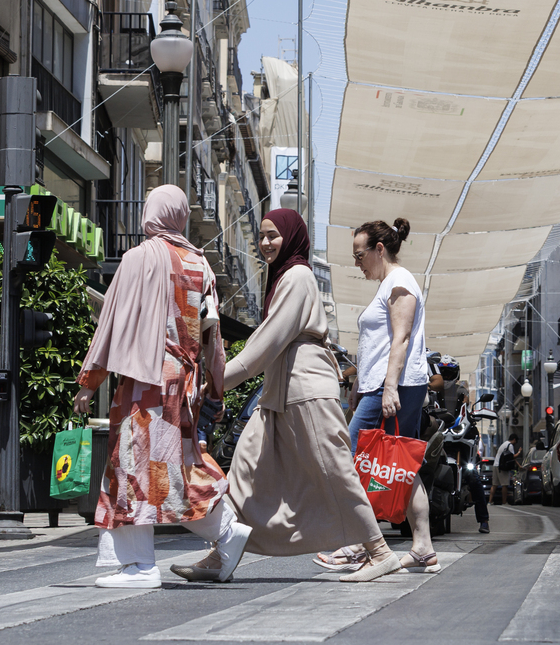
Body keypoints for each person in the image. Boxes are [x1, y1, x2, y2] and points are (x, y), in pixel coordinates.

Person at [172, 209, 402, 583]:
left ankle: (379, 551)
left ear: (292, 236)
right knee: (244, 472)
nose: (264, 243)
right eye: (261, 236)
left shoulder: (297, 276)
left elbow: (265, 343)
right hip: (279, 393)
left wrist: (215, 380)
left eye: (273, 235)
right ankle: (222, 552)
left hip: (306, 390)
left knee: (334, 471)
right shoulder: (282, 277)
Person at [72, 185, 251, 589]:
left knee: (132, 467)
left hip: (144, 383)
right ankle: (226, 531)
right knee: (176, 468)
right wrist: (216, 392)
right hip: (182, 385)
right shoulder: (200, 265)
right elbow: (213, 339)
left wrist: (90, 381)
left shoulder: (138, 259)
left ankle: (139, 566)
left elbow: (111, 325)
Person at [316, 218, 439, 574]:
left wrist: (386, 388)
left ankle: (358, 545)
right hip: (382, 385)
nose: (357, 263)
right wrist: (358, 384)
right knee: (400, 465)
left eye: (359, 255)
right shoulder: (389, 283)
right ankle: (423, 547)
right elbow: (379, 343)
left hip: (394, 386)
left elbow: (400, 339)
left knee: (352, 458)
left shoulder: (399, 282)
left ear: (379, 249)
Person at [491, 434, 520, 506]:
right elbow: (513, 456)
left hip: (495, 465)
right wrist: (519, 452)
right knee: (505, 485)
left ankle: (490, 501)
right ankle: (504, 502)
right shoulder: (510, 445)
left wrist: (519, 465)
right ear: (514, 440)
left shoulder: (503, 444)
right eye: (515, 442)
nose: (515, 443)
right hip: (502, 467)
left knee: (494, 485)